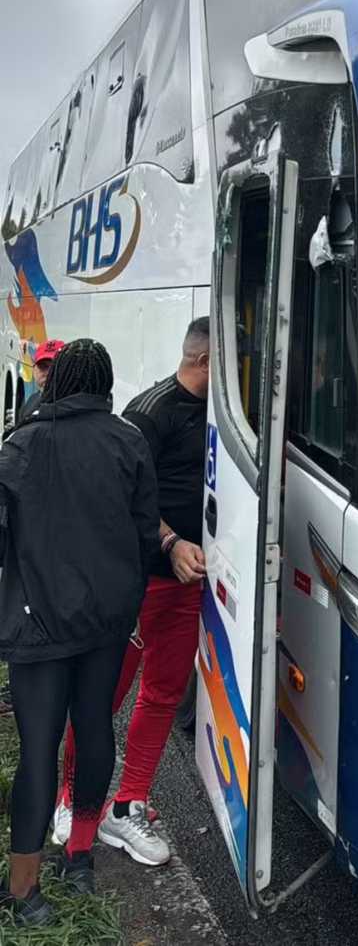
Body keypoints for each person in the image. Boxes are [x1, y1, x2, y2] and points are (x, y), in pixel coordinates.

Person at [0, 340, 159, 927]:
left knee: (38, 750)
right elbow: (145, 535)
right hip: (107, 622)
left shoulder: (19, 445)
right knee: (94, 731)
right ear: (105, 385)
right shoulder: (129, 442)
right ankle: (80, 857)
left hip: (37, 623)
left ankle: (24, 892)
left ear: (57, 381)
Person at [54, 317, 210, 867]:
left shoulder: (226, 415)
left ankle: (127, 806)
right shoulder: (149, 414)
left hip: (190, 586)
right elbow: (124, 499)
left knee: (163, 695)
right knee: (102, 699)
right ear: (205, 361)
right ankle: (71, 799)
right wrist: (172, 543)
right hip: (139, 584)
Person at [12, 339, 66, 427]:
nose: (48, 373)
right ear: (34, 370)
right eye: (42, 367)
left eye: (55, 367)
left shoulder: (72, 406)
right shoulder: (31, 401)